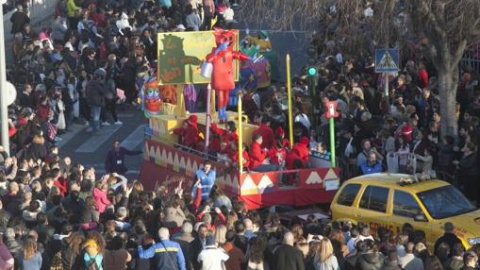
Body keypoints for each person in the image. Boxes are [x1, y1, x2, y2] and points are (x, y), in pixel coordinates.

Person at [86, 68, 107, 134]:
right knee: (96, 116)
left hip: (91, 101)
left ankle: (91, 127)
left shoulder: (90, 82)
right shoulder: (98, 83)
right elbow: (103, 91)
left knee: (92, 114)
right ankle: (96, 129)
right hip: (97, 102)